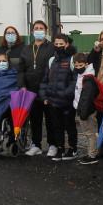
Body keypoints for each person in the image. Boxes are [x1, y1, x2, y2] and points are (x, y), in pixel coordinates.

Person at [17, 20, 57, 157]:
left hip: (47, 89)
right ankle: (36, 145)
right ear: (32, 31)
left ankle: (52, 145)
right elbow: (21, 69)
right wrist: (22, 85)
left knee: (51, 118)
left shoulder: (51, 47)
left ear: (45, 31)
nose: (38, 30)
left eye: (41, 28)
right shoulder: (27, 49)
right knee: (35, 119)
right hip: (31, 89)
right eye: (36, 28)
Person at [40, 33, 79, 161]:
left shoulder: (73, 60)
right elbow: (45, 79)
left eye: (61, 44)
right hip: (52, 101)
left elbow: (75, 80)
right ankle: (60, 149)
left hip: (67, 101)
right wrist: (44, 95)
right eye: (56, 44)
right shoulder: (52, 60)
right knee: (57, 127)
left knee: (70, 125)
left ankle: (73, 149)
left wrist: (67, 93)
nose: (58, 46)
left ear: (67, 44)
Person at [72, 52, 103, 165]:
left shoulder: (88, 79)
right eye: (76, 66)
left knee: (90, 133)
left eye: (80, 66)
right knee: (87, 133)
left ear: (86, 65)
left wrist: (83, 112)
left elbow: (86, 97)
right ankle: (90, 153)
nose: (78, 68)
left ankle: (92, 155)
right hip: (83, 109)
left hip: (87, 110)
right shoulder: (83, 77)